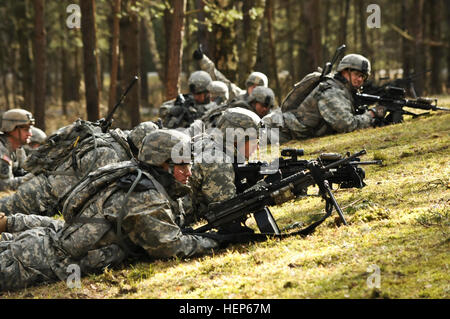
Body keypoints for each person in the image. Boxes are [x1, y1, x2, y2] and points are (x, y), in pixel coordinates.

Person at [0, 129, 222, 291]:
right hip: (30, 263)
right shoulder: (142, 194)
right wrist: (218, 240)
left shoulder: (134, 175)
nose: (189, 172)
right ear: (162, 163)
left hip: (39, 244)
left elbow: (79, 227)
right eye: (182, 165)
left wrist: (13, 222)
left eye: (189, 164)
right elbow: (169, 246)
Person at [0, 120, 158, 217]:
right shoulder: (111, 154)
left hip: (46, 190)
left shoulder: (111, 141)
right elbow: (93, 191)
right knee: (5, 211)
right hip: (43, 195)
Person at [263, 54, 385, 143]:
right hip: (276, 131)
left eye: (363, 77)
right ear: (344, 71)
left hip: (286, 131)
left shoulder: (341, 89)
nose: (360, 80)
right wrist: (372, 114)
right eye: (357, 75)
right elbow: (347, 125)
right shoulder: (332, 91)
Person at [184, 107, 263, 225]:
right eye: (254, 141)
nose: (257, 148)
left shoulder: (209, 141)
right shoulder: (218, 161)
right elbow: (227, 213)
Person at [193, 46, 268, 102]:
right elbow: (218, 78)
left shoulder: (268, 108)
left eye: (257, 87)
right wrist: (203, 60)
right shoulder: (238, 96)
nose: (253, 89)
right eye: (252, 85)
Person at [201, 85, 275, 129]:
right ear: (253, 102)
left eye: (268, 106)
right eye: (263, 105)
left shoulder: (268, 115)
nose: (265, 109)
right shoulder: (242, 111)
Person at [0, 109, 35, 191]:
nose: (30, 134)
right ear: (11, 128)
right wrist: (34, 176)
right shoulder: (1, 151)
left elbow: (23, 171)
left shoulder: (18, 149)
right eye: (26, 129)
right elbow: (5, 186)